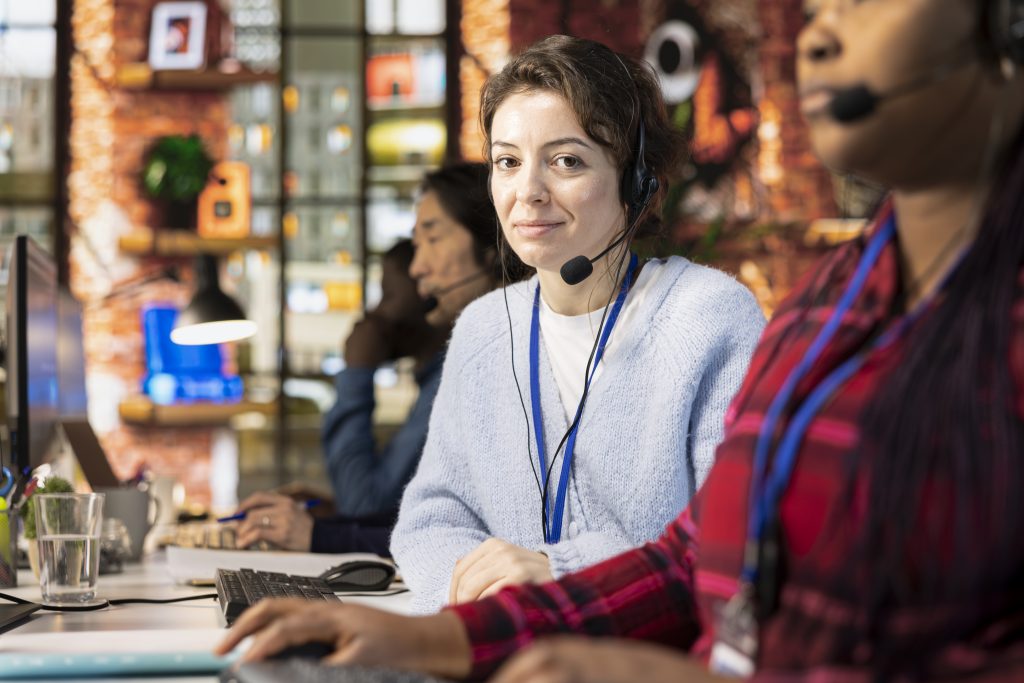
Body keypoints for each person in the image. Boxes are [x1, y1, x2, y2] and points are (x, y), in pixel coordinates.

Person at [217, 3, 1024, 680]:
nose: (816, 37)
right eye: (506, 161)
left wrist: (625, 643)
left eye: (566, 160)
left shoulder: (725, 316)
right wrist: (436, 634)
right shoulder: (826, 310)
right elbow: (699, 555)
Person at [384, 34, 764, 613]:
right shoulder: (486, 327)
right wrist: (486, 602)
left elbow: (733, 540)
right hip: (504, 652)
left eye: (566, 161)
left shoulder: (709, 317)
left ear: (637, 183)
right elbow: (432, 518)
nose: (527, 193)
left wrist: (559, 576)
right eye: (508, 161)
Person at [231, 162, 504, 554]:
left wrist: (326, 532)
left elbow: (374, 502)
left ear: (494, 247)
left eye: (433, 238)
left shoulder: (489, 363)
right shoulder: (469, 358)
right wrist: (341, 520)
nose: (417, 266)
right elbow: (422, 517)